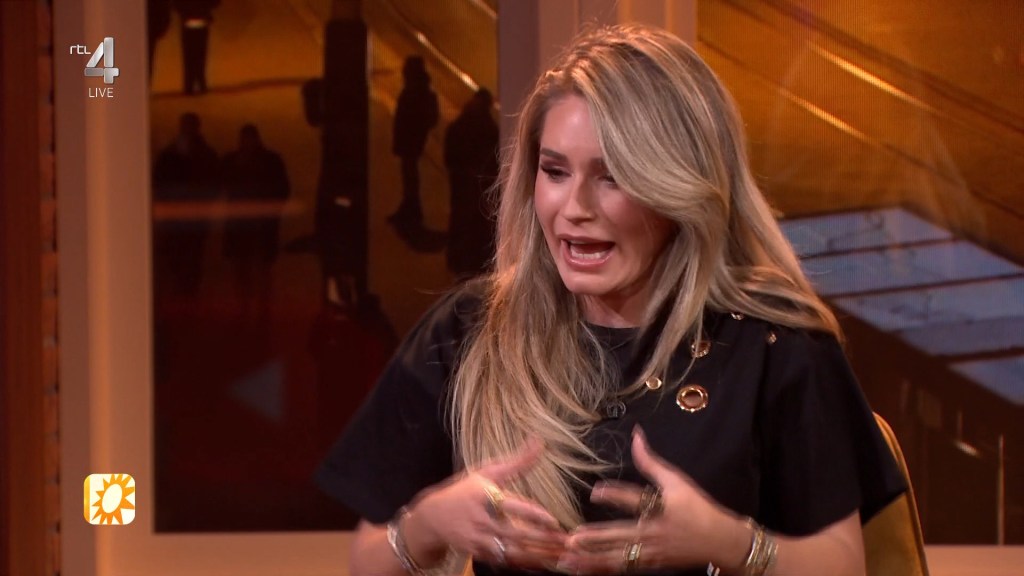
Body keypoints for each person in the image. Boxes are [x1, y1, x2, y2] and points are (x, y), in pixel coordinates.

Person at [317, 24, 905, 576]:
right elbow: (368, 559)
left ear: (678, 188)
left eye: (612, 176)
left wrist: (727, 542)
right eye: (555, 171)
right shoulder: (469, 331)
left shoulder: (776, 344)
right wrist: (429, 524)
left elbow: (843, 563)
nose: (574, 208)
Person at [221, 123, 290, 320]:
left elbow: (281, 189)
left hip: (251, 224)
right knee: (249, 269)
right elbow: (282, 189)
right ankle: (252, 308)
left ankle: (252, 308)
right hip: (250, 224)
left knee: (254, 270)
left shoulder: (234, 160)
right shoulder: (270, 161)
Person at [444, 88, 500, 278]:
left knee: (459, 219)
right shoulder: (489, 128)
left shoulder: (460, 123)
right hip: (478, 184)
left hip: (460, 181)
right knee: (475, 222)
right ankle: (472, 262)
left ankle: (458, 260)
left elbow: (450, 152)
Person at [388, 56, 439, 228]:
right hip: (412, 139)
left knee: (410, 175)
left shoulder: (415, 91)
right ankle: (410, 208)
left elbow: (408, 117)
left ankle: (411, 209)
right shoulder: (420, 89)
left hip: (410, 140)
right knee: (409, 174)